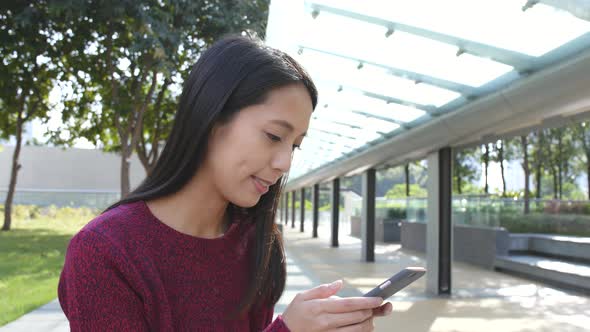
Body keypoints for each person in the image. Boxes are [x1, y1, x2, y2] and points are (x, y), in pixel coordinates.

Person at [58, 35, 393, 331]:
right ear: (212, 117)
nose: (284, 163)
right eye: (274, 135)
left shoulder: (258, 243)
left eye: (294, 145)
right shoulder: (105, 252)